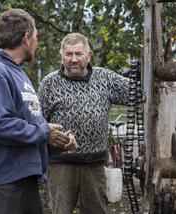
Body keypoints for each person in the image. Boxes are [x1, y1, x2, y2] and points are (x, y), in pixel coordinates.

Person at [0, 8, 76, 214]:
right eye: (36, 36)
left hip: (24, 177)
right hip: (4, 182)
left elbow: (27, 122)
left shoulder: (18, 73)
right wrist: (44, 132)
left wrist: (55, 138)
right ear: (26, 38)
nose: (37, 42)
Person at [38, 32, 130, 214]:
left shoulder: (105, 78)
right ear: (61, 55)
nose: (73, 59)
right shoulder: (49, 83)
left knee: (97, 210)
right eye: (69, 54)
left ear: (88, 55)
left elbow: (135, 92)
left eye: (78, 54)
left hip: (94, 164)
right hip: (61, 165)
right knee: (60, 211)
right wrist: (50, 135)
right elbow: (37, 120)